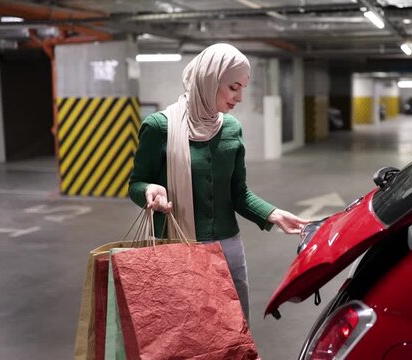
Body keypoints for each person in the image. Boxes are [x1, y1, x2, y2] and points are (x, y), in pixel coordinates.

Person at [128, 43, 308, 322]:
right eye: (233, 87)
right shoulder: (159, 127)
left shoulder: (232, 128)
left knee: (233, 326)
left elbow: (239, 194)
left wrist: (274, 215)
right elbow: (137, 183)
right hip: (176, 244)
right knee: (184, 329)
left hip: (228, 248)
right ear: (209, 80)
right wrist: (150, 190)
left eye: (244, 88)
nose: (240, 97)